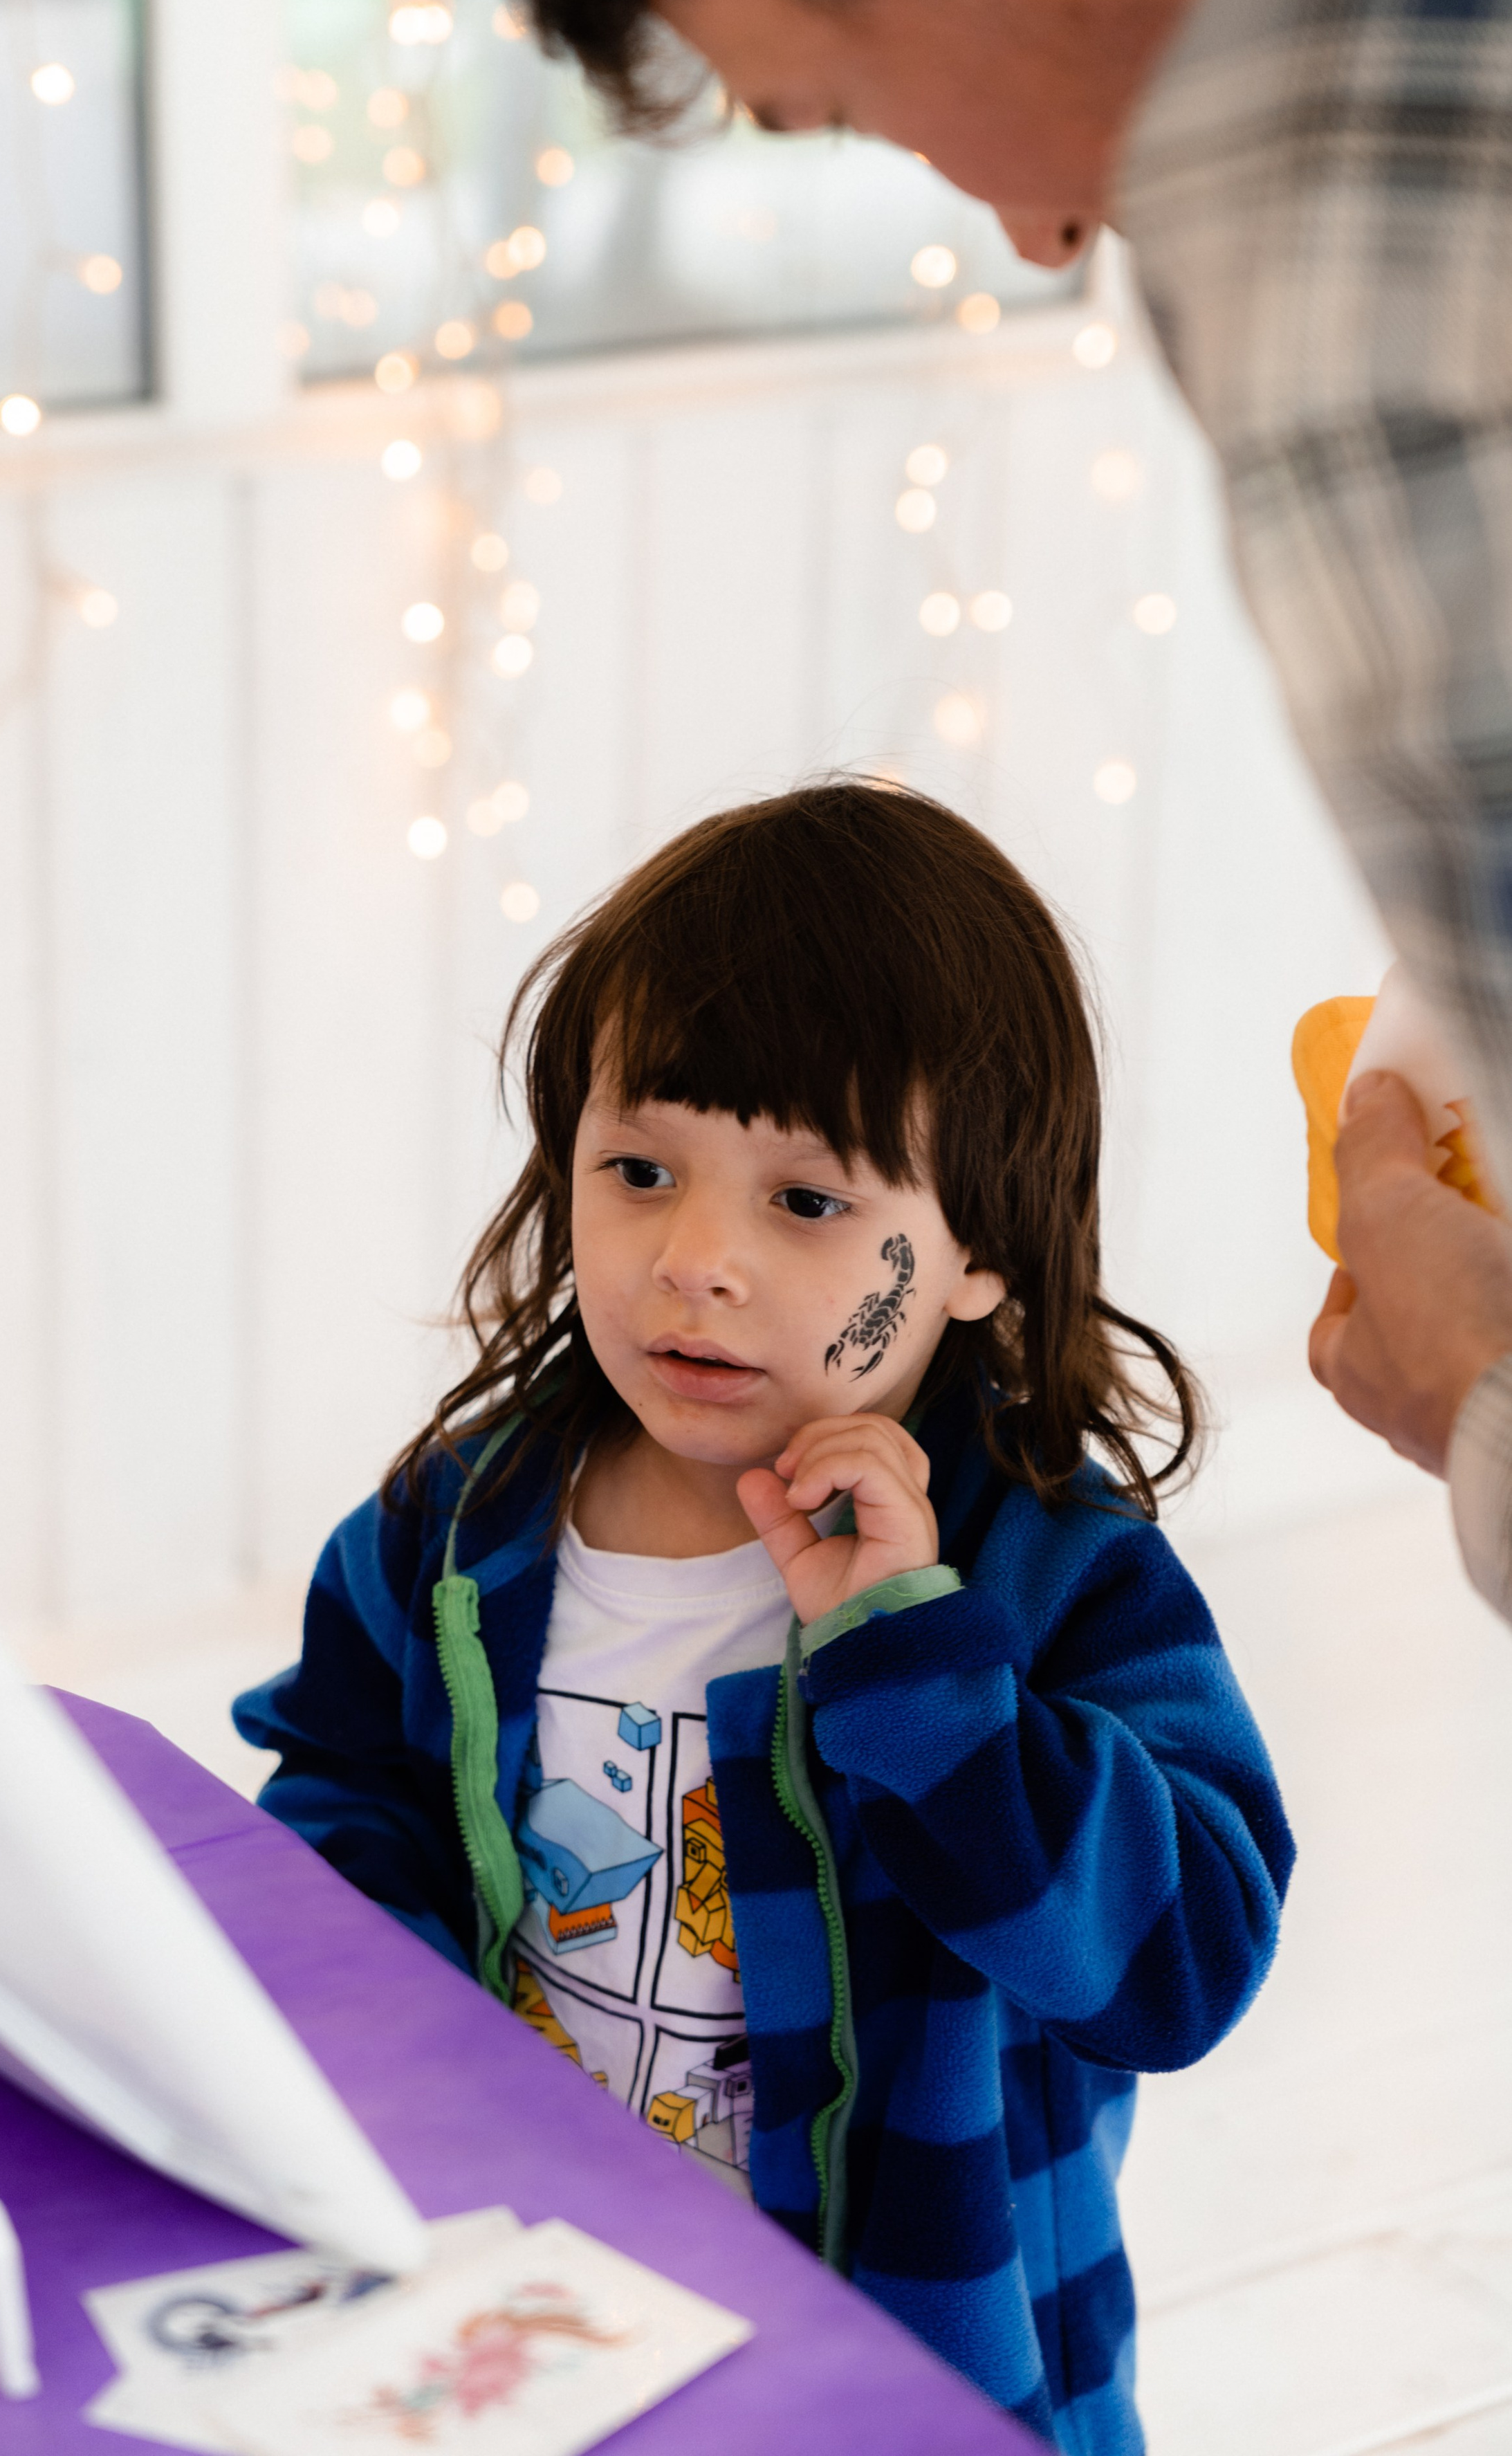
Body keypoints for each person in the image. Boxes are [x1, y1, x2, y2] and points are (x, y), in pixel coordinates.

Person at [461, 0, 1512, 1615]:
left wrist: (1480, 1393)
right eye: (632, 1169)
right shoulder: (457, 1533)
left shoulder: (1339, 247)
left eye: (854, 101)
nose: (1038, 233)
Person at [234, 782, 1293, 2452]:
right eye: (638, 1170)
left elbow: (1179, 1969)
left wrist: (919, 1671)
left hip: (917, 2374)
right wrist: (417, 2065)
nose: (693, 1259)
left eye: (805, 1202)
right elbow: (337, 1796)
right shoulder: (460, 1525)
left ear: (976, 1251)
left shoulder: (1045, 1569)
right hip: (551, 2326)